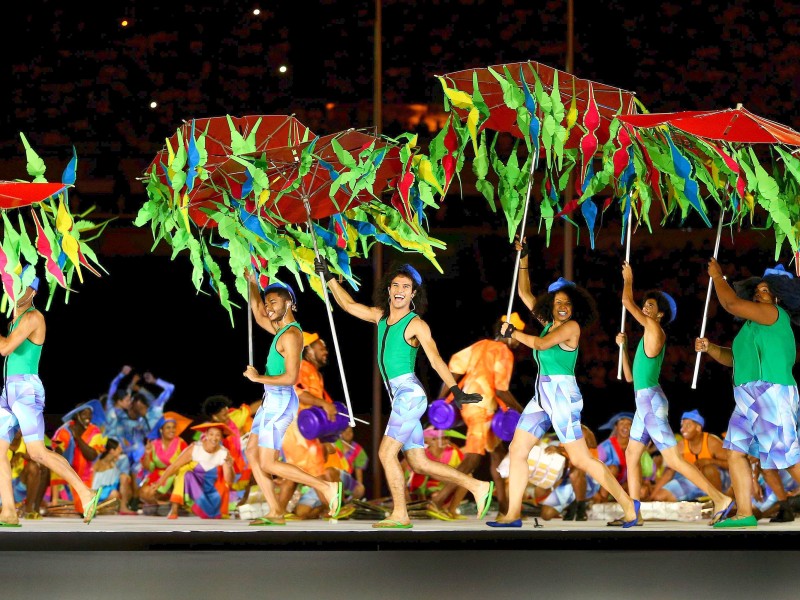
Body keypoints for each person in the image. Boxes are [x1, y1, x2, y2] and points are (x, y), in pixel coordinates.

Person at [316, 259, 494, 529]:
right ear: (389, 290)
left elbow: (435, 360)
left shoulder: (416, 324)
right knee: (418, 462)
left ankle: (400, 514)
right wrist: (328, 277)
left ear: (413, 294)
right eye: (396, 285)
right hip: (400, 396)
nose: (400, 289)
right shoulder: (380, 317)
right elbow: (349, 306)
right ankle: (477, 486)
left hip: (409, 395)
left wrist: (456, 390)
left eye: (406, 286)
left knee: (386, 453)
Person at [487, 238, 638, 527]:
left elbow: (542, 345)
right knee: (517, 451)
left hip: (562, 395)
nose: (562, 307)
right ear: (550, 305)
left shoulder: (571, 328)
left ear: (574, 306)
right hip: (542, 396)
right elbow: (523, 292)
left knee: (581, 460)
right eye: (557, 303)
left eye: (567, 303)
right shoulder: (547, 321)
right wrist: (525, 259)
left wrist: (513, 332)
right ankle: (513, 514)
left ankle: (629, 507)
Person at [616, 262, 732, 525]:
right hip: (643, 402)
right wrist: (622, 349)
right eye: (645, 304)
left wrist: (629, 280)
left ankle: (720, 499)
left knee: (672, 460)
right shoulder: (647, 335)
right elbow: (632, 378)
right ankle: (634, 513)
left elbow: (626, 300)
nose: (645, 307)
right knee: (632, 455)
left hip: (651, 403)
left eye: (651, 306)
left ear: (659, 315)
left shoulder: (655, 330)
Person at [696, 260, 800, 528]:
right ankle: (745, 513)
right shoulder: (750, 327)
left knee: (786, 459)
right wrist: (710, 348)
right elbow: (734, 360)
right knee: (735, 451)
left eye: (766, 290)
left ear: (777, 296)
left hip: (770, 391)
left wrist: (718, 276)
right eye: (758, 290)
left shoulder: (774, 314)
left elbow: (730, 304)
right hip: (746, 394)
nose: (759, 293)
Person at [0, 268, 101, 526]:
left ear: (32, 291)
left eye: (22, 287)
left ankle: (85, 492)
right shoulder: (14, 319)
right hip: (8, 389)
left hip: (25, 390)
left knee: (36, 452)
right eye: (13, 285)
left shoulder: (33, 317)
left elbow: (5, 348)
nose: (16, 290)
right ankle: (9, 512)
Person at [243, 274, 342, 526]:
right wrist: (253, 282)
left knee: (269, 462)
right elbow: (256, 311)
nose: (268, 307)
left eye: (273, 302)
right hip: (270, 401)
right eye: (268, 303)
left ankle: (326, 488)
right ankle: (275, 510)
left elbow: (289, 378)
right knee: (253, 453)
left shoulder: (291, 335)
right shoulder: (280, 330)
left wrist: (258, 378)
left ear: (289, 304)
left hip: (280, 401)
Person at [428, 313, 525, 519]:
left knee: (497, 454)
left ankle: (505, 508)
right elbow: (500, 390)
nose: (519, 339)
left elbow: (453, 368)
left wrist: (440, 401)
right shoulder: (504, 352)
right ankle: (437, 500)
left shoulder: (481, 345)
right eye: (518, 334)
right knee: (472, 459)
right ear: (509, 333)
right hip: (481, 409)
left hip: (470, 406)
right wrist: (521, 410)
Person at [277, 331, 340, 514]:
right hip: (296, 427)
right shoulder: (302, 368)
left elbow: (324, 403)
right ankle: (333, 509)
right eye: (321, 348)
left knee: (294, 474)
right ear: (309, 350)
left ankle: (277, 512)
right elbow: (298, 392)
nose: (325, 351)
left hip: (304, 430)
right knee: (316, 467)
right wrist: (323, 404)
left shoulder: (316, 374)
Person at [649, 410, 731, 503]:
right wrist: (652, 497)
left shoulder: (712, 442)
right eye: (682, 426)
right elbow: (669, 473)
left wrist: (711, 461)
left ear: (698, 428)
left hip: (718, 482)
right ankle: (698, 498)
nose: (682, 429)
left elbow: (733, 465)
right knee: (660, 497)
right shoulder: (680, 446)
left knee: (709, 469)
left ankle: (719, 501)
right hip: (693, 482)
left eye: (687, 425)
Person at [156, 423, 234, 519]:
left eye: (218, 435)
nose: (214, 438)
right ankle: (174, 508)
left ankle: (208, 509)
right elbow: (175, 466)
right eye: (211, 434)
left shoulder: (224, 453)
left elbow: (229, 481)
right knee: (184, 473)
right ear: (206, 435)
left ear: (221, 437)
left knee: (214, 515)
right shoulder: (195, 448)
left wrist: (230, 466)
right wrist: (159, 482)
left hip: (213, 489)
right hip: (196, 486)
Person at [51, 402, 106, 516]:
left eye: (90, 414)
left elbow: (92, 455)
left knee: (85, 507)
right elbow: (57, 453)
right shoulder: (65, 430)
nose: (88, 417)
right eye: (85, 414)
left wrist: (77, 438)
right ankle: (54, 501)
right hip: (66, 475)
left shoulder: (94, 431)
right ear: (77, 415)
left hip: (86, 476)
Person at [140, 412, 190, 508]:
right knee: (144, 493)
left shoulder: (181, 442)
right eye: (168, 427)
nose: (172, 430)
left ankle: (171, 502)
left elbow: (188, 461)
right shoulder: (154, 444)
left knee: (151, 493)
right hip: (157, 474)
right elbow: (149, 468)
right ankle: (162, 505)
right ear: (161, 430)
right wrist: (147, 453)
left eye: (173, 427)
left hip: (175, 475)